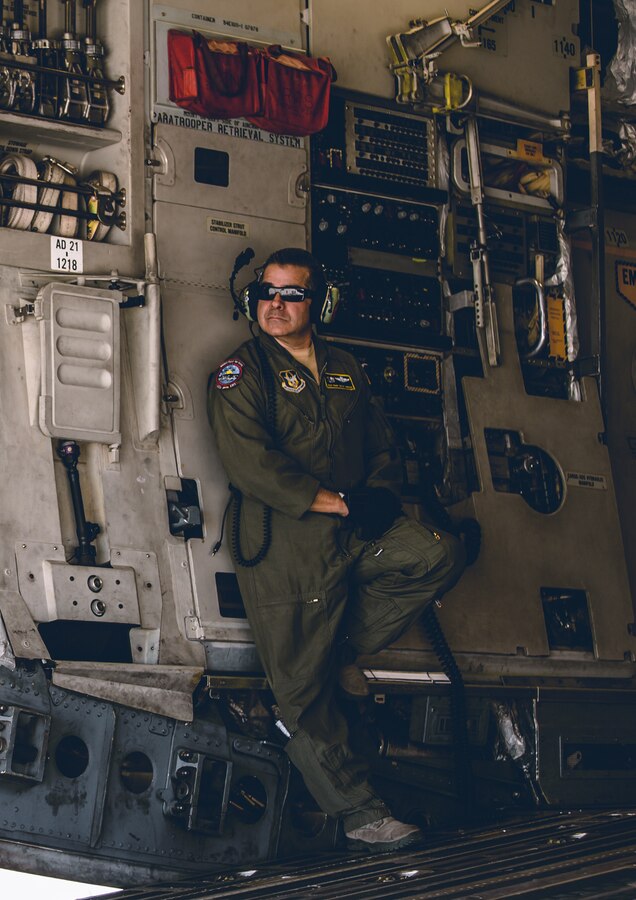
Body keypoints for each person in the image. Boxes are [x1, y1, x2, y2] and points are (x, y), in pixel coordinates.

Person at [208, 247, 466, 852]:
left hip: (353, 530)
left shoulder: (346, 367)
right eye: (267, 292)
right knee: (301, 690)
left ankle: (340, 647)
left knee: (436, 555)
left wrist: (378, 495)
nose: (276, 304)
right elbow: (253, 466)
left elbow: (379, 445)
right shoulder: (241, 375)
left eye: (292, 294)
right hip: (286, 546)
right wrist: (339, 503)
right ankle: (360, 815)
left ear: (318, 303)